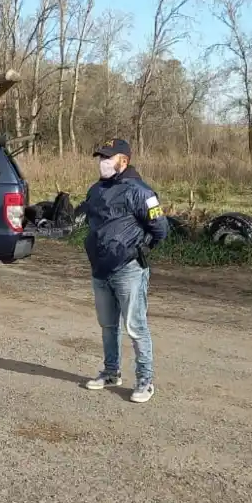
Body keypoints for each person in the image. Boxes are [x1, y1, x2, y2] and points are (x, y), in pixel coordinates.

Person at [80, 138, 169, 403]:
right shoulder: (95, 190)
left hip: (128, 269)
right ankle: (110, 372)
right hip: (100, 269)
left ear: (124, 160)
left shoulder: (141, 192)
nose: (103, 162)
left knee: (135, 326)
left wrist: (139, 249)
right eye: (100, 157)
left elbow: (160, 229)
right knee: (108, 326)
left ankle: (145, 380)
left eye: (108, 157)